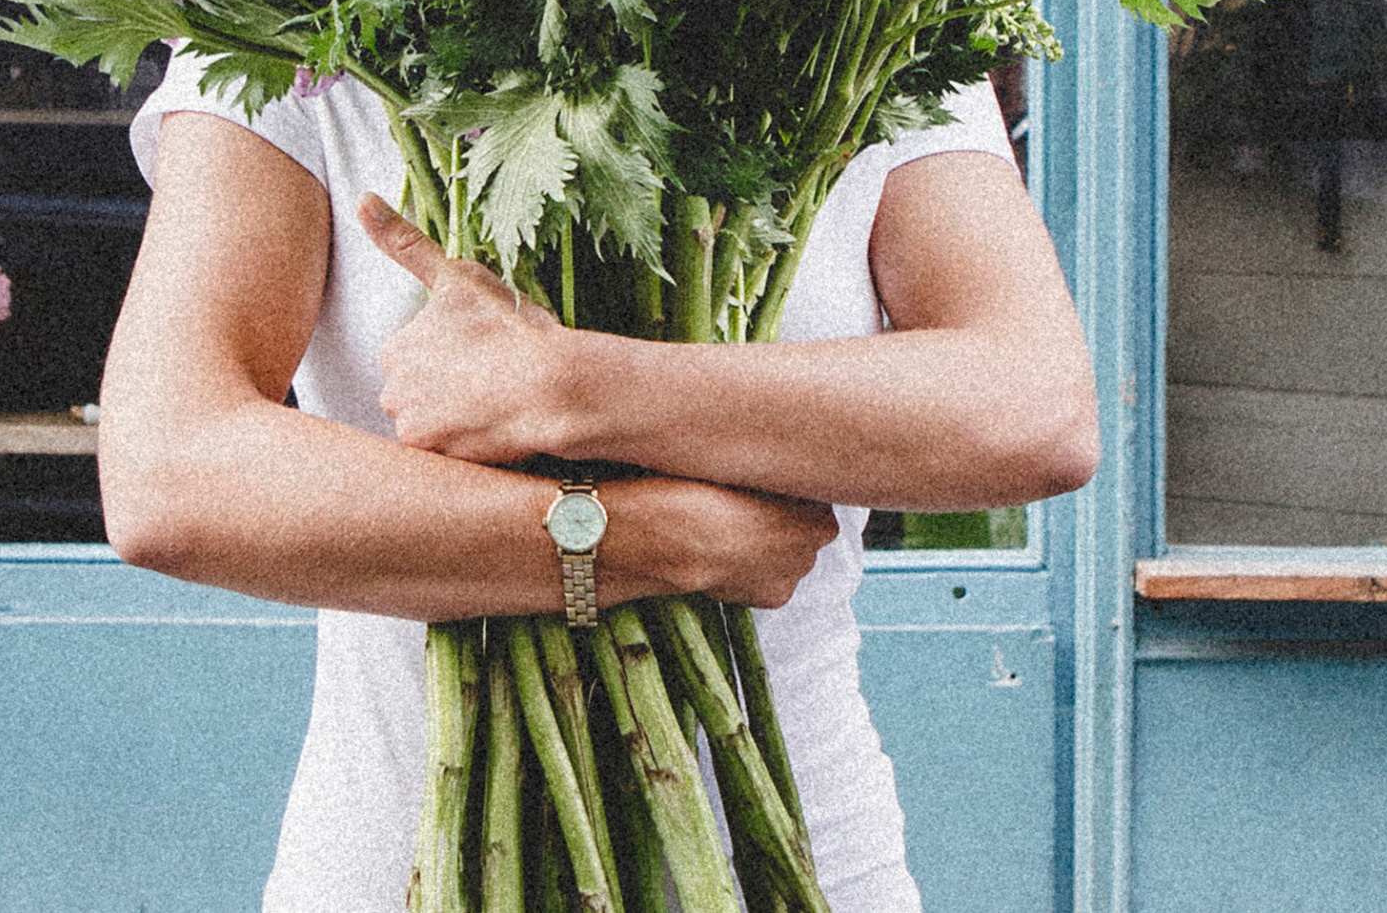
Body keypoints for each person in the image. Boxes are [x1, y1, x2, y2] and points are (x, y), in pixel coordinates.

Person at [101, 57, 1102, 913]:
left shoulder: (877, 8)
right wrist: (644, 541)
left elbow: (1034, 408)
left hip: (798, 853)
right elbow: (169, 474)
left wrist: (574, 386)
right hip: (400, 859)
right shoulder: (290, 17)